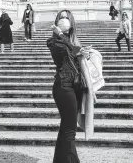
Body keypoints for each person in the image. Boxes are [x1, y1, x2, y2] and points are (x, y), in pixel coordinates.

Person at [47, 10, 83, 163]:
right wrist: (60, 34)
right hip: (63, 87)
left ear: (71, 20)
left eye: (66, 17)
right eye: (60, 18)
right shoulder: (53, 41)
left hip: (75, 87)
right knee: (70, 131)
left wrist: (84, 54)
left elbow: (76, 55)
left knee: (65, 129)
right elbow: (68, 52)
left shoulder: (72, 41)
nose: (63, 20)